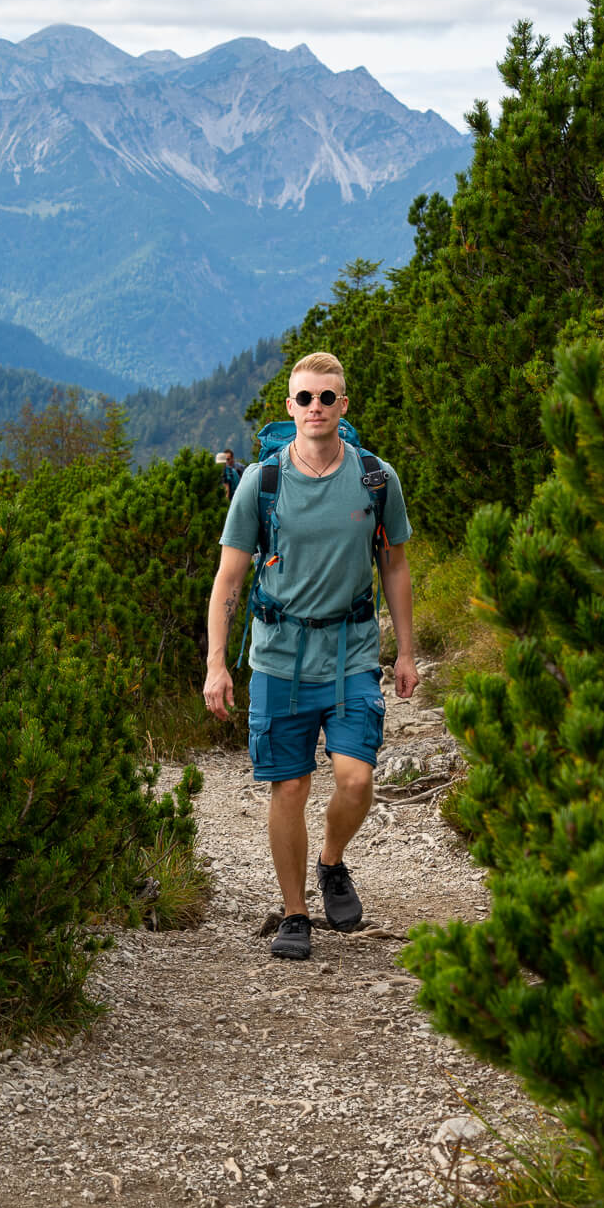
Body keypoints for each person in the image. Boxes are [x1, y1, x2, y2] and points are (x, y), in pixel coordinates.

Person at [203, 351, 418, 960]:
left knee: (356, 778)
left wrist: (406, 651)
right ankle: (295, 912)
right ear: (289, 407)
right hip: (278, 656)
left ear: (343, 405)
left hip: (352, 652)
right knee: (290, 786)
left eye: (327, 397)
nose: (315, 407)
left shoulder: (376, 478)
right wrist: (217, 663)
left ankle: (331, 861)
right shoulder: (262, 482)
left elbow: (395, 567)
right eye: (305, 398)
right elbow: (228, 579)